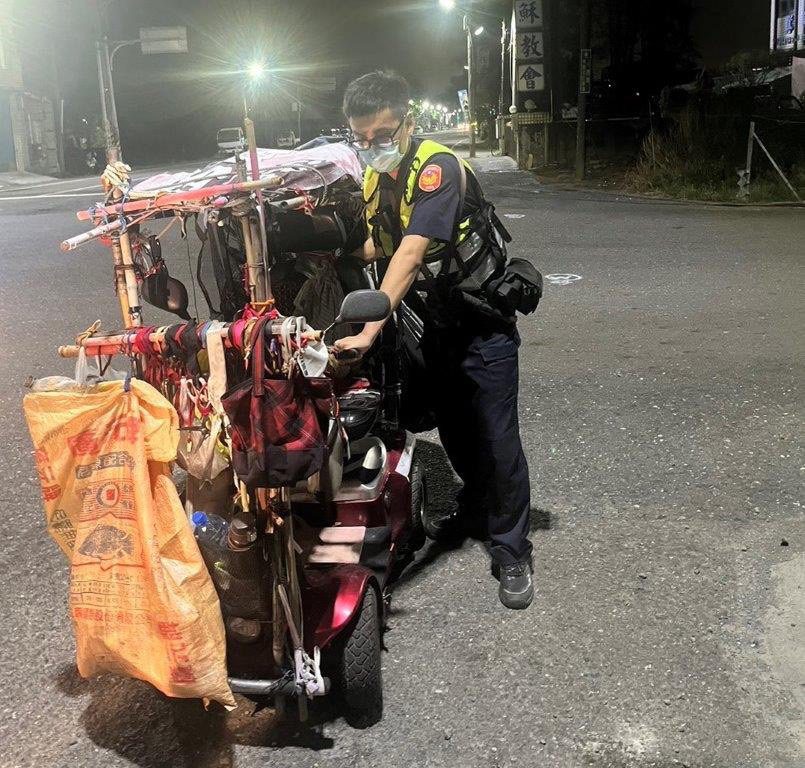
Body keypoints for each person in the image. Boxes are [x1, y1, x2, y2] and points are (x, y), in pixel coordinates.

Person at [334, 71, 535, 609]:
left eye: (382, 135)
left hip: (482, 325)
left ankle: (512, 549)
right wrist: (323, 245)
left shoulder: (437, 168)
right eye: (361, 138)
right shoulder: (379, 178)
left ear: (408, 123)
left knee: (497, 438)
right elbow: (379, 245)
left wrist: (369, 328)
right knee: (456, 428)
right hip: (436, 326)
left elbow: (413, 251)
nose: (372, 147)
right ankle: (473, 508)